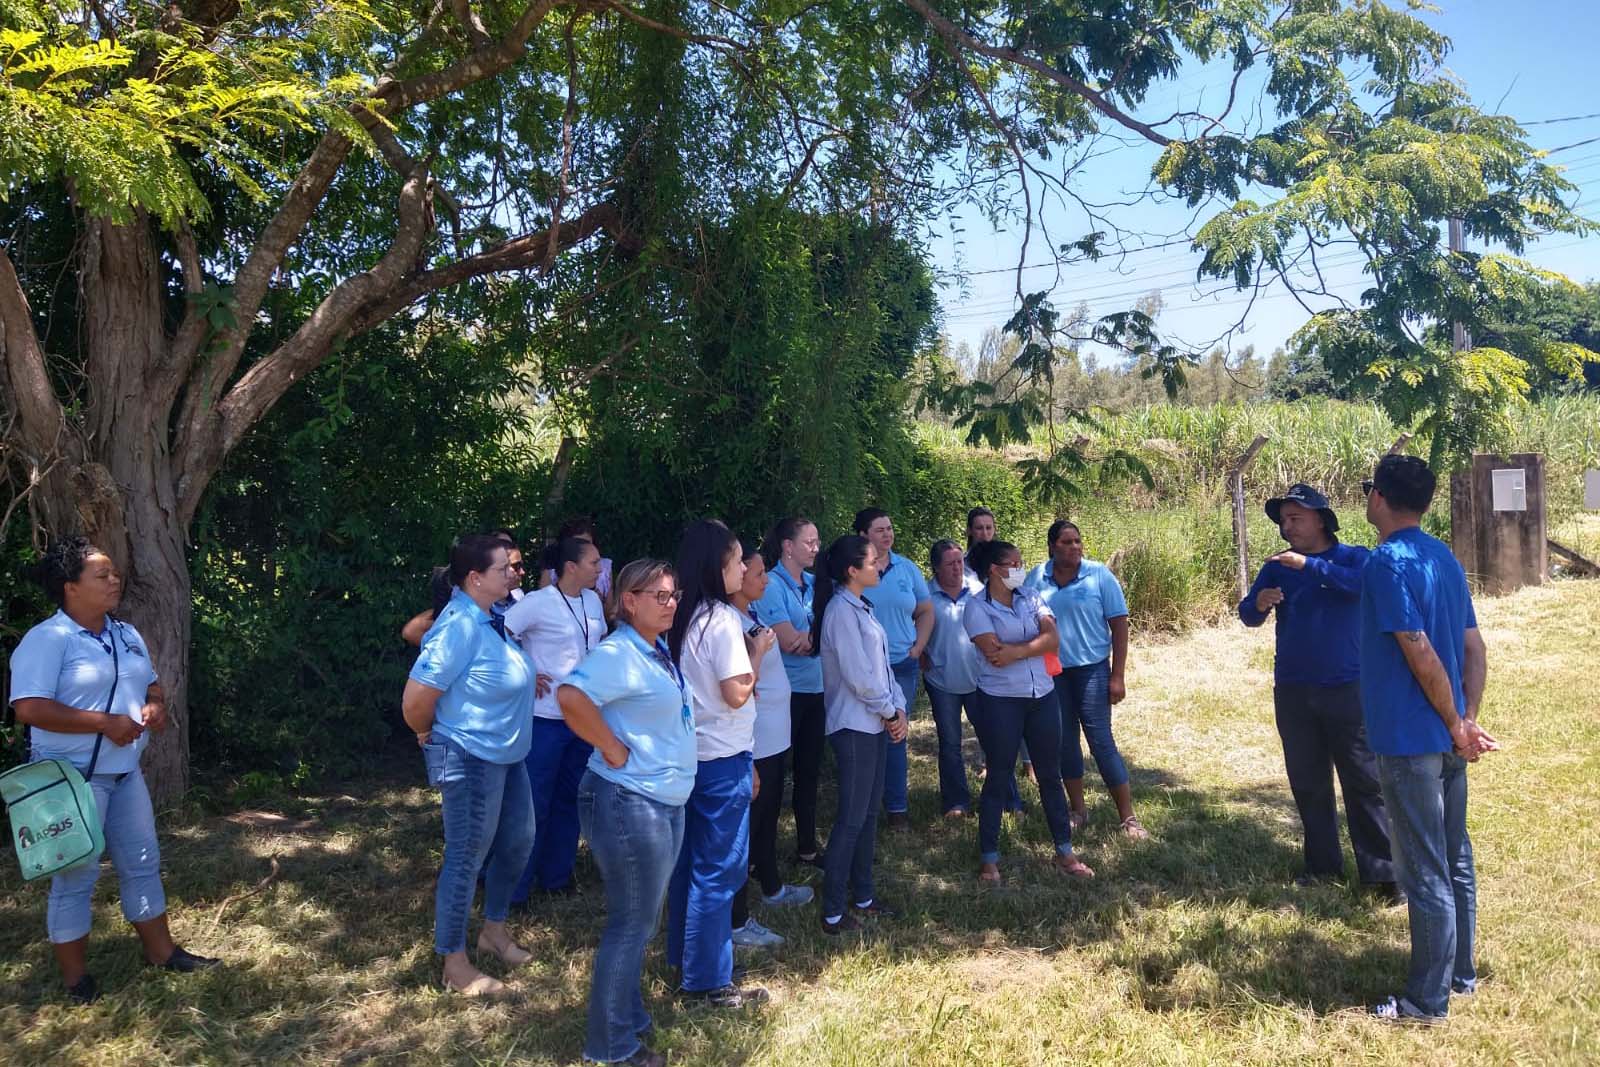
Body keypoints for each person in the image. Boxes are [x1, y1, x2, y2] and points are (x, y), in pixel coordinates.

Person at [8, 537, 221, 1004]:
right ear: (70, 588)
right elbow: (27, 707)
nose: (113, 580)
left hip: (126, 775)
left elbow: (151, 685)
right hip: (72, 779)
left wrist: (154, 707)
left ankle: (163, 954)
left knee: (142, 863)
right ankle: (75, 980)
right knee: (76, 877)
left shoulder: (126, 633)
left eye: (114, 572)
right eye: (100, 575)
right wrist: (104, 722)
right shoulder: (48, 639)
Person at [1359, 455, 1498, 1023]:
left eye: (1370, 489)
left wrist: (1453, 720)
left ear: (1380, 498)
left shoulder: (1386, 563)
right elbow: (1474, 648)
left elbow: (1418, 648)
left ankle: (1425, 1001)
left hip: (1410, 737)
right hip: (1446, 736)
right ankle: (1461, 977)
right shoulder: (1442, 557)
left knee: (1424, 867)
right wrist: (1465, 718)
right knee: (1455, 855)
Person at [559, 560, 697, 1067]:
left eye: (673, 594)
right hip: (628, 800)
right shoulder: (618, 651)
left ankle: (630, 1015)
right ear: (628, 600)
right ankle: (611, 1048)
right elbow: (571, 696)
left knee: (642, 919)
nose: (669, 603)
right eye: (657, 595)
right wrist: (613, 748)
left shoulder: (652, 649)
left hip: (659, 801)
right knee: (631, 924)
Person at [1239, 483, 1398, 898]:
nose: (1286, 527)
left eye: (1295, 518)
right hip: (1293, 688)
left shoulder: (1354, 557)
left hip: (1347, 686)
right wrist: (1259, 605)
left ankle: (1382, 874)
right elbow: (1246, 613)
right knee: (1308, 782)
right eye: (1283, 520)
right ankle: (1322, 865)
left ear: (1321, 520)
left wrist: (1308, 568)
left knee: (1364, 781)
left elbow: (1360, 586)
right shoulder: (1276, 566)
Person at [401, 534, 537, 996]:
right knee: (466, 857)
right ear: (476, 578)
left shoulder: (490, 616)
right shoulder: (458, 624)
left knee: (518, 841)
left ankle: (493, 931)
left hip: (508, 754)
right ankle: (454, 963)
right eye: (505, 569)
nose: (514, 574)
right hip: (472, 756)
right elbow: (416, 700)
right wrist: (429, 733)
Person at [665, 520, 773, 1008]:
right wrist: (757, 654)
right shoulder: (725, 620)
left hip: (692, 754)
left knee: (690, 865)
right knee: (720, 869)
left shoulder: (685, 615)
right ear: (717, 566)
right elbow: (735, 693)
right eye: (736, 561)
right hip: (722, 756)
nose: (744, 567)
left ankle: (687, 959)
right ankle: (706, 982)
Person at [963, 540, 1092, 884]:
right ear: (994, 570)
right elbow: (994, 655)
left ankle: (1064, 851)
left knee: (1050, 775)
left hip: (1042, 696)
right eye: (1014, 564)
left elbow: (1053, 639)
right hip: (1000, 699)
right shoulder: (976, 608)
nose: (1021, 569)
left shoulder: (1031, 596)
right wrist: (1030, 647)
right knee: (999, 775)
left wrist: (1017, 651)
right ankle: (989, 859)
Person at [1026, 520, 1147, 839]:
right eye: (1066, 542)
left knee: (1101, 742)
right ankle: (1078, 810)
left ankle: (1128, 817)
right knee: (1065, 743)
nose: (1074, 547)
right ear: (1052, 546)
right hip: (1054, 672)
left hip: (1092, 670)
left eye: (1078, 541)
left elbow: (1120, 626)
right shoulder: (1037, 577)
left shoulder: (1099, 576)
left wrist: (1117, 675)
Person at [813, 535, 908, 934]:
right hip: (854, 725)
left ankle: (863, 895)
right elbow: (859, 678)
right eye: (872, 561)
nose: (878, 565)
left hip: (874, 722)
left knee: (868, 815)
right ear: (852, 571)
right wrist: (889, 711)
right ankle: (833, 911)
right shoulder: (840, 612)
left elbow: (882, 669)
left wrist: (898, 707)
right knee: (851, 818)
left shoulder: (861, 608)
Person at [504, 536, 606, 902]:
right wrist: (526, 669)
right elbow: (499, 634)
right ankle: (516, 889)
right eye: (595, 563)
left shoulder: (593, 601)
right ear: (571, 567)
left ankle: (556, 877)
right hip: (546, 719)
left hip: (583, 717)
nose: (600, 569)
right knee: (534, 804)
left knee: (571, 799)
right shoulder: (538, 602)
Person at [730, 544, 813, 951]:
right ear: (737, 578)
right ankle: (737, 915)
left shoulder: (753, 613)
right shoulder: (730, 622)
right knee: (750, 822)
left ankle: (772, 886)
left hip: (775, 732)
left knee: (766, 819)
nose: (765, 580)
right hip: (756, 736)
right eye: (759, 574)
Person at [923, 538, 1023, 817]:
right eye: (950, 563)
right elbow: (914, 630)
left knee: (995, 742)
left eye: (959, 562)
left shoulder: (980, 591)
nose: (957, 568)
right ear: (935, 568)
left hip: (981, 680)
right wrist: (920, 654)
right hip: (942, 682)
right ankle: (956, 802)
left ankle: (1010, 800)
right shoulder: (925, 597)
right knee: (950, 744)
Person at [754, 516, 826, 867]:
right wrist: (819, 637)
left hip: (817, 687)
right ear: (787, 546)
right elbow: (789, 642)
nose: (815, 548)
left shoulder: (815, 584)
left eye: (817, 541)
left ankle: (807, 846)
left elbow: (806, 640)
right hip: (786, 692)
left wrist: (810, 638)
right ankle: (757, 855)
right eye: (809, 542)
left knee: (810, 771)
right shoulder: (770, 585)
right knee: (773, 773)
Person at [854, 507, 931, 828]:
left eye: (890, 528)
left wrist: (918, 647)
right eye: (880, 529)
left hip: (901, 665)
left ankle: (897, 808)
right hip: (864, 670)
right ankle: (863, 806)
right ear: (863, 536)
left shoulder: (907, 568)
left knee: (896, 732)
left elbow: (926, 610)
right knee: (865, 737)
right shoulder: (854, 570)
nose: (888, 534)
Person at [400, 531, 525, 646]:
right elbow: (412, 633)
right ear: (475, 577)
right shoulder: (459, 619)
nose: (517, 572)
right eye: (504, 567)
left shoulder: (518, 599)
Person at [544, 516, 614, 602]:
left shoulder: (604, 567)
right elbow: (543, 602)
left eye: (587, 543)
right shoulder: (551, 569)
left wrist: (598, 601)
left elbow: (610, 611)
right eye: (578, 543)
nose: (598, 569)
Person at [962, 507, 996, 592]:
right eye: (979, 528)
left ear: (994, 530)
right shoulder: (960, 566)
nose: (985, 534)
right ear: (969, 531)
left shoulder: (1006, 561)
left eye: (988, 528)